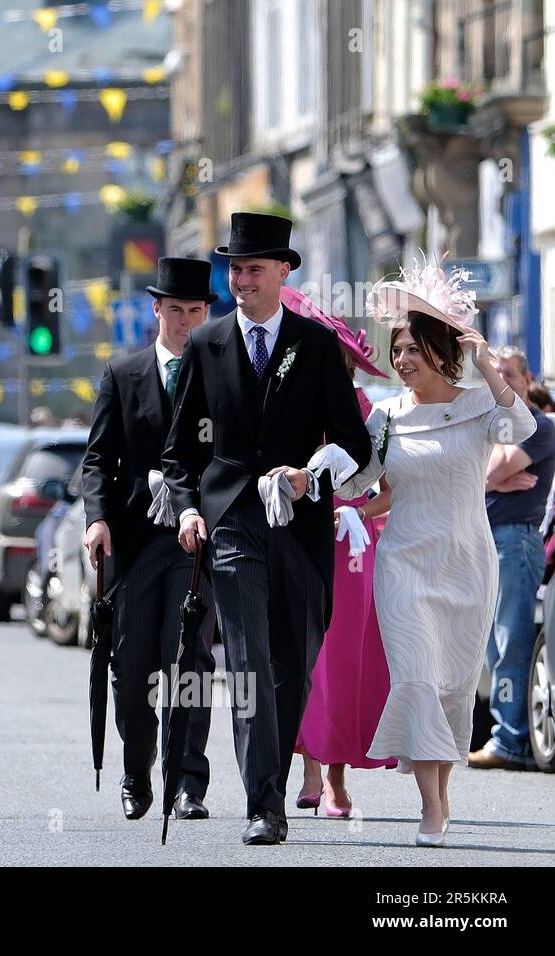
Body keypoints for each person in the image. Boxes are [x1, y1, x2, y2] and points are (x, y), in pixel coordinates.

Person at [162, 213, 372, 845]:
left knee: (292, 664)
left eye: (255, 268)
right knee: (249, 660)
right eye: (236, 269)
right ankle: (264, 806)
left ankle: (272, 785)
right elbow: (178, 453)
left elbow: (356, 445)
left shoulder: (315, 346)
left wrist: (314, 474)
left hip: (302, 524)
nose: (243, 279)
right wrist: (190, 506)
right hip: (233, 524)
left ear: (284, 272)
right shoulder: (207, 344)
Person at [334, 257, 536, 846]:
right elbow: (358, 483)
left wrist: (488, 366)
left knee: (449, 688)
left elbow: (522, 429)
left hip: (468, 565)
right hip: (401, 565)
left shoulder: (477, 406)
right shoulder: (387, 417)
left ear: (437, 349)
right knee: (417, 680)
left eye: (410, 349)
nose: (400, 361)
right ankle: (429, 805)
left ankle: (441, 794)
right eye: (395, 351)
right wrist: (312, 477)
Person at [81, 257, 219, 822]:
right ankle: (137, 769)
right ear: (156, 309)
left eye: (196, 310)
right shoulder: (123, 373)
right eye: (176, 309)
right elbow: (96, 459)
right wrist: (97, 518)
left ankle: (187, 782)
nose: (186, 321)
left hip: (194, 547)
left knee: (190, 662)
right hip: (134, 545)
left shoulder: (221, 372)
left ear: (207, 313)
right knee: (132, 668)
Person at [281, 289, 399, 818]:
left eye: (341, 357)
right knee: (300, 652)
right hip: (298, 537)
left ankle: (333, 775)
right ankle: (305, 765)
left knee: (341, 658)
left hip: (352, 546)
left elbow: (388, 487)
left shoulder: (367, 411)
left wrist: (356, 510)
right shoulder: (289, 404)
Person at [468, 346, 555, 771]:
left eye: (509, 375)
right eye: (494, 373)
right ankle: (506, 734)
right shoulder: (490, 426)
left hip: (514, 543)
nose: (500, 380)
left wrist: (488, 479)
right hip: (484, 542)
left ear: (527, 381)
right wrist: (495, 481)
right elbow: (475, 476)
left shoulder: (537, 427)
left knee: (510, 644)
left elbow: (480, 475)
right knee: (490, 646)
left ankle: (511, 740)